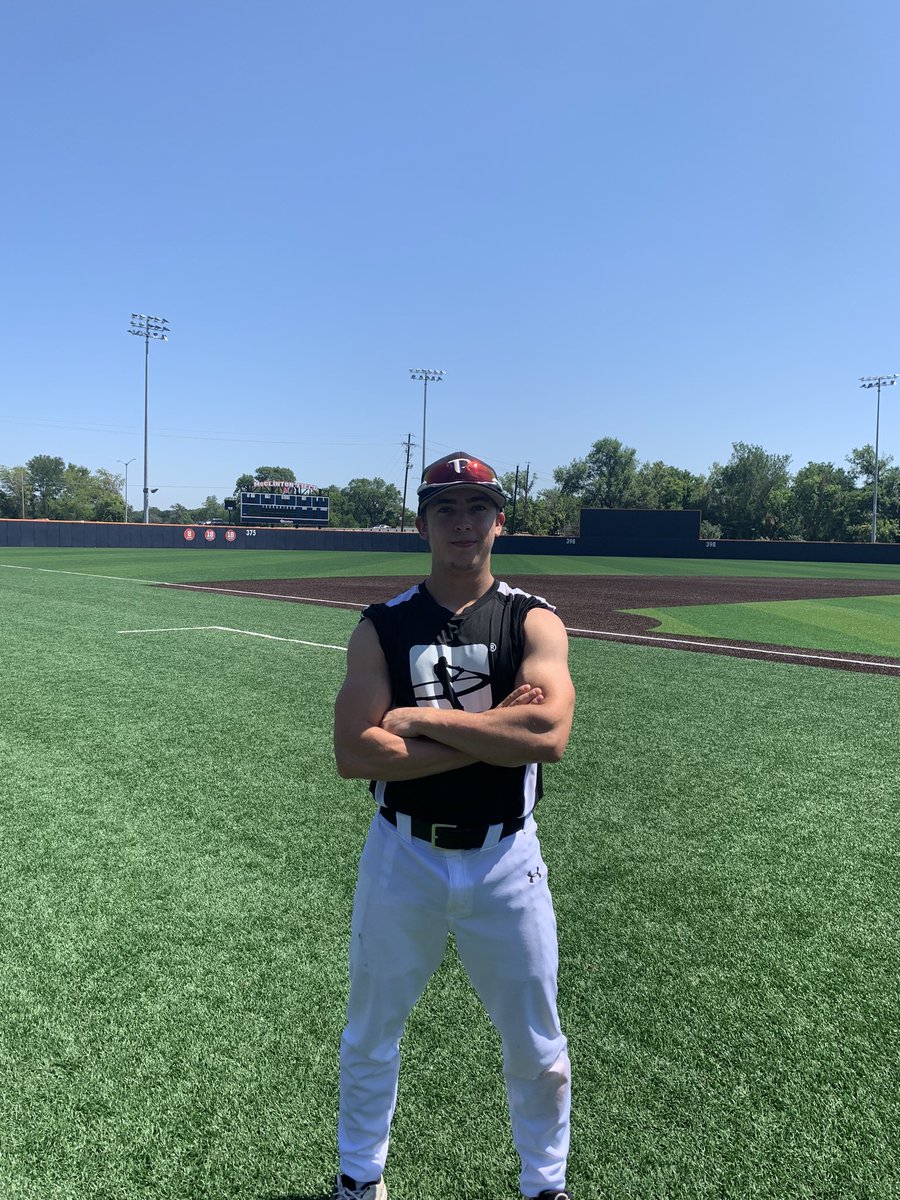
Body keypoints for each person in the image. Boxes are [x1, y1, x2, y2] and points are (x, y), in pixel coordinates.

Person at [332, 451, 576, 1200]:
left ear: (499, 520)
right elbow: (353, 752)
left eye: (477, 508)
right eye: (446, 510)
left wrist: (413, 724)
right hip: (403, 855)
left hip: (508, 858)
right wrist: (491, 723)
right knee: (371, 1033)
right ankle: (359, 1178)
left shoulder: (533, 618)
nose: (463, 523)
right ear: (422, 525)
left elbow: (550, 736)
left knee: (539, 1047)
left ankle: (545, 1185)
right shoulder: (383, 626)